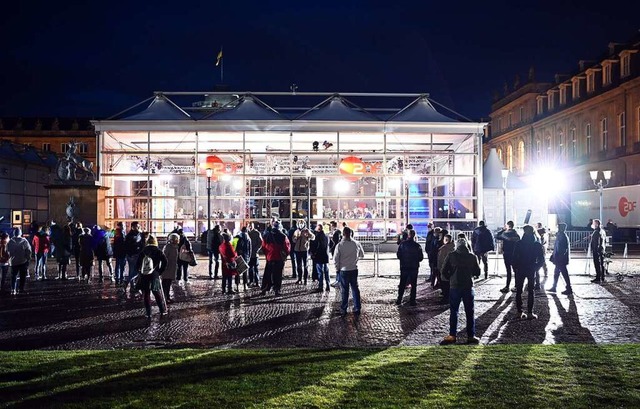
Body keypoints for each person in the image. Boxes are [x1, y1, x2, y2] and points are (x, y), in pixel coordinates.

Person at [440, 238, 481, 345]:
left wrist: (451, 278)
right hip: (468, 286)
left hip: (455, 286)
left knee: (454, 311)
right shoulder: (472, 257)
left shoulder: (451, 255)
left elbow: (444, 270)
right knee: (470, 312)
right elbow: (478, 272)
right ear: (466, 245)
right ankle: (471, 336)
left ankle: (452, 335)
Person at [512, 224, 545, 320]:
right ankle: (530, 312)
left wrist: (515, 268)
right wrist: (536, 268)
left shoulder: (519, 243)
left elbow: (514, 258)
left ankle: (519, 311)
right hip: (531, 268)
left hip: (520, 268)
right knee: (531, 291)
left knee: (519, 290)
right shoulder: (536, 244)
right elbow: (541, 259)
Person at [334, 226, 365, 315]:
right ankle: (357, 307)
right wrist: (354, 259)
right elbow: (362, 255)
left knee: (345, 290)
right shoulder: (356, 243)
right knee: (355, 289)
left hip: (343, 270)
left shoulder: (339, 245)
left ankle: (344, 309)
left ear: (343, 234)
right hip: (354, 269)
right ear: (351, 233)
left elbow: (336, 259)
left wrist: (337, 269)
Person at [134, 235, 168, 317]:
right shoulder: (158, 251)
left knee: (146, 294)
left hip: (144, 275)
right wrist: (160, 271)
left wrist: (139, 271)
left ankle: (148, 313)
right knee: (157, 292)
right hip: (154, 274)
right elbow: (165, 261)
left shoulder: (143, 251)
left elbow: (138, 263)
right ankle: (162, 310)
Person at [261, 220, 291, 296]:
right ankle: (276, 289)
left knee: (268, 274)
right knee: (278, 275)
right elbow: (287, 247)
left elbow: (263, 247)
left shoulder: (267, 235)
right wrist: (285, 255)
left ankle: (265, 288)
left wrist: (267, 255)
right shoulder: (283, 236)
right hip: (279, 258)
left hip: (270, 258)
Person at [396, 229, 424, 306]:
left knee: (402, 283)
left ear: (408, 235)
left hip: (404, 266)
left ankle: (399, 299)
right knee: (413, 284)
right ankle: (412, 300)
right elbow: (421, 257)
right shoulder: (417, 246)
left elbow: (398, 255)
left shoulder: (402, 244)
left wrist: (403, 260)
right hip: (414, 267)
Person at [495, 221, 520, 293]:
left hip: (507, 254)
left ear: (508, 226)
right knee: (516, 271)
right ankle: (516, 286)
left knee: (508, 271)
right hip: (515, 254)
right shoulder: (516, 234)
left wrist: (503, 229)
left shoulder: (505, 234)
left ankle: (507, 286)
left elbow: (496, 235)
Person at [548, 223, 572, 295]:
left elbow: (562, 249)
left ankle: (568, 288)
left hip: (560, 259)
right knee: (557, 273)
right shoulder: (561, 236)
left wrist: (558, 256)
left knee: (563, 273)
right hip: (559, 258)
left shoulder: (562, 236)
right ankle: (554, 287)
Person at [7, 228, 32, 295]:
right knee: (22, 276)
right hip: (22, 261)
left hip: (13, 262)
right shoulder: (24, 241)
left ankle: (13, 289)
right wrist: (28, 258)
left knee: (13, 276)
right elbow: (28, 251)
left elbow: (7, 251)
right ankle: (21, 289)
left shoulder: (10, 241)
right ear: (20, 233)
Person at [293, 220, 315, 285]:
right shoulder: (296, 231)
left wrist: (308, 234)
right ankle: (299, 278)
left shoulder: (306, 230)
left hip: (304, 250)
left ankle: (305, 279)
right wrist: (296, 238)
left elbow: (313, 237)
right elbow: (293, 240)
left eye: (302, 223)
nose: (300, 225)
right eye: (299, 223)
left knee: (305, 265)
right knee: (298, 265)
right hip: (297, 250)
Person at [124, 221, 144, 293]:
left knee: (134, 270)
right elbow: (128, 245)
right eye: (136, 226)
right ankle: (131, 284)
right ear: (133, 227)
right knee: (134, 270)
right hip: (133, 255)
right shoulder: (131, 235)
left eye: (138, 226)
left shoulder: (139, 234)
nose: (138, 228)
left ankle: (132, 284)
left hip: (136, 254)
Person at [310, 223, 330, 292]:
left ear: (318, 229)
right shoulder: (326, 236)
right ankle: (328, 285)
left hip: (319, 256)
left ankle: (321, 286)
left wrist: (313, 253)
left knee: (320, 272)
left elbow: (316, 246)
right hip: (325, 256)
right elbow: (330, 244)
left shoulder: (317, 236)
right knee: (326, 271)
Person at [436, 233, 455, 304]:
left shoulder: (444, 249)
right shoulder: (454, 248)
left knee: (444, 284)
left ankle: (446, 298)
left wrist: (439, 268)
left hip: (444, 268)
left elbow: (440, 260)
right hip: (451, 269)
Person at [161, 233, 180, 303]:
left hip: (171, 267)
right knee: (165, 283)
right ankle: (164, 297)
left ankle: (167, 296)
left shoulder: (174, 247)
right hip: (167, 267)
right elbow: (164, 257)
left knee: (168, 283)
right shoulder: (168, 247)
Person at [233, 226, 251, 291]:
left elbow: (233, 246)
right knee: (245, 271)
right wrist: (249, 257)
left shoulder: (237, 237)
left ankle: (237, 285)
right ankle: (245, 285)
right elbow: (249, 249)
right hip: (245, 256)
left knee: (237, 271)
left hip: (238, 256)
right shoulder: (248, 238)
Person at [590, 218, 607, 283]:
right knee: (601, 264)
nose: (592, 224)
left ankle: (598, 277)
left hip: (597, 250)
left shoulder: (597, 231)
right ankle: (602, 277)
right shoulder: (602, 231)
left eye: (593, 223)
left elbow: (597, 241)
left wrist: (596, 249)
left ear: (596, 224)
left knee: (597, 264)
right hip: (602, 249)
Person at [247, 223, 262, 287]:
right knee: (250, 268)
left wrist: (256, 249)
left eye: (250, 226)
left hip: (254, 254)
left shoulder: (256, 233)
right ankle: (251, 281)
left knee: (255, 268)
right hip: (250, 254)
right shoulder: (247, 233)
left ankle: (256, 281)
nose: (250, 227)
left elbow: (260, 242)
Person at [535, 222, 549, 288]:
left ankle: (537, 283)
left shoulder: (540, 237)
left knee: (537, 268)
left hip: (540, 253)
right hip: (542, 252)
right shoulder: (544, 236)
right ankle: (546, 273)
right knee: (543, 263)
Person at [329, 221, 342, 288]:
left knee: (338, 266)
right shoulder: (337, 232)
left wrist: (331, 246)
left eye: (331, 225)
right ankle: (337, 280)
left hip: (336, 251)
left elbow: (335, 242)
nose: (330, 227)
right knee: (337, 266)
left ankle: (339, 280)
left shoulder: (336, 233)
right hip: (335, 251)